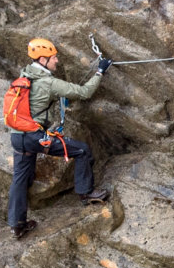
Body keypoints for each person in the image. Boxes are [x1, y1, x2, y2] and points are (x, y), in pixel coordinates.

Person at [8, 37, 111, 240]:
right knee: (81, 150)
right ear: (44, 60)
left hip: (18, 137)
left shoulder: (25, 76)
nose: (57, 61)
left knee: (20, 179)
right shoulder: (48, 83)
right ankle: (86, 193)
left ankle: (17, 224)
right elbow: (83, 92)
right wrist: (100, 71)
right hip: (34, 137)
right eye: (54, 58)